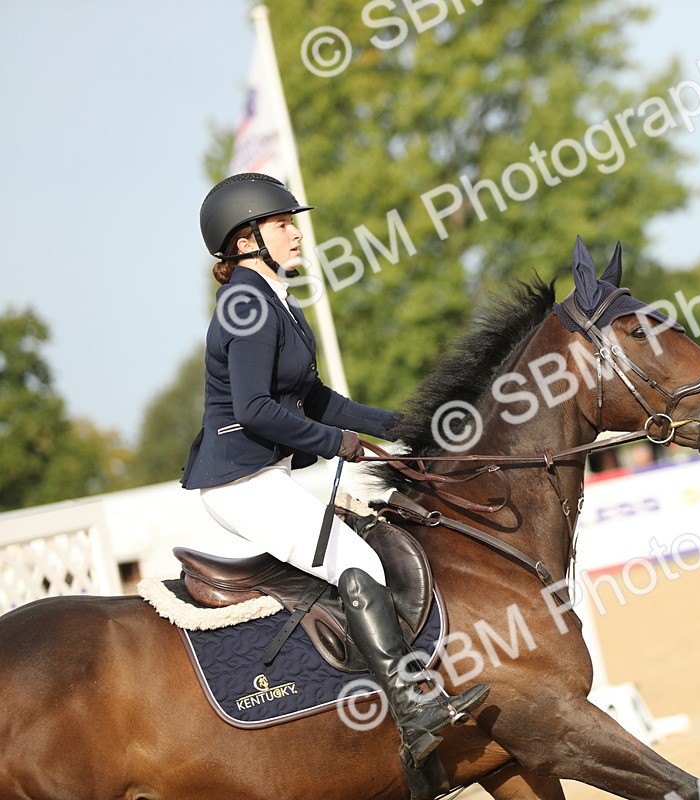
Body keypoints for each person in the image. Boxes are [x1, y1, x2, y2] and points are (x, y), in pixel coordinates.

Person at [180, 173, 488, 769]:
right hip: (237, 482)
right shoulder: (246, 304)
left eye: (292, 223)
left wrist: (406, 426)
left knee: (359, 553)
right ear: (246, 240)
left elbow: (315, 397)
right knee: (359, 562)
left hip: (259, 476)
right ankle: (413, 710)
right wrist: (339, 444)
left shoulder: (273, 300)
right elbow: (254, 410)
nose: (296, 233)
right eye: (282, 225)